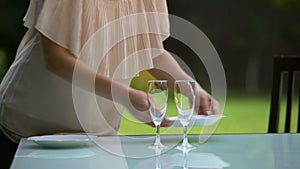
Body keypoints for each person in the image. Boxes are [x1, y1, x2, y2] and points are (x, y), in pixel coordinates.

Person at [0, 0, 219, 143]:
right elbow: (54, 57)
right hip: (29, 129)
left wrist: (190, 88)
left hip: (98, 135)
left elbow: (149, 51)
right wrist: (124, 95)